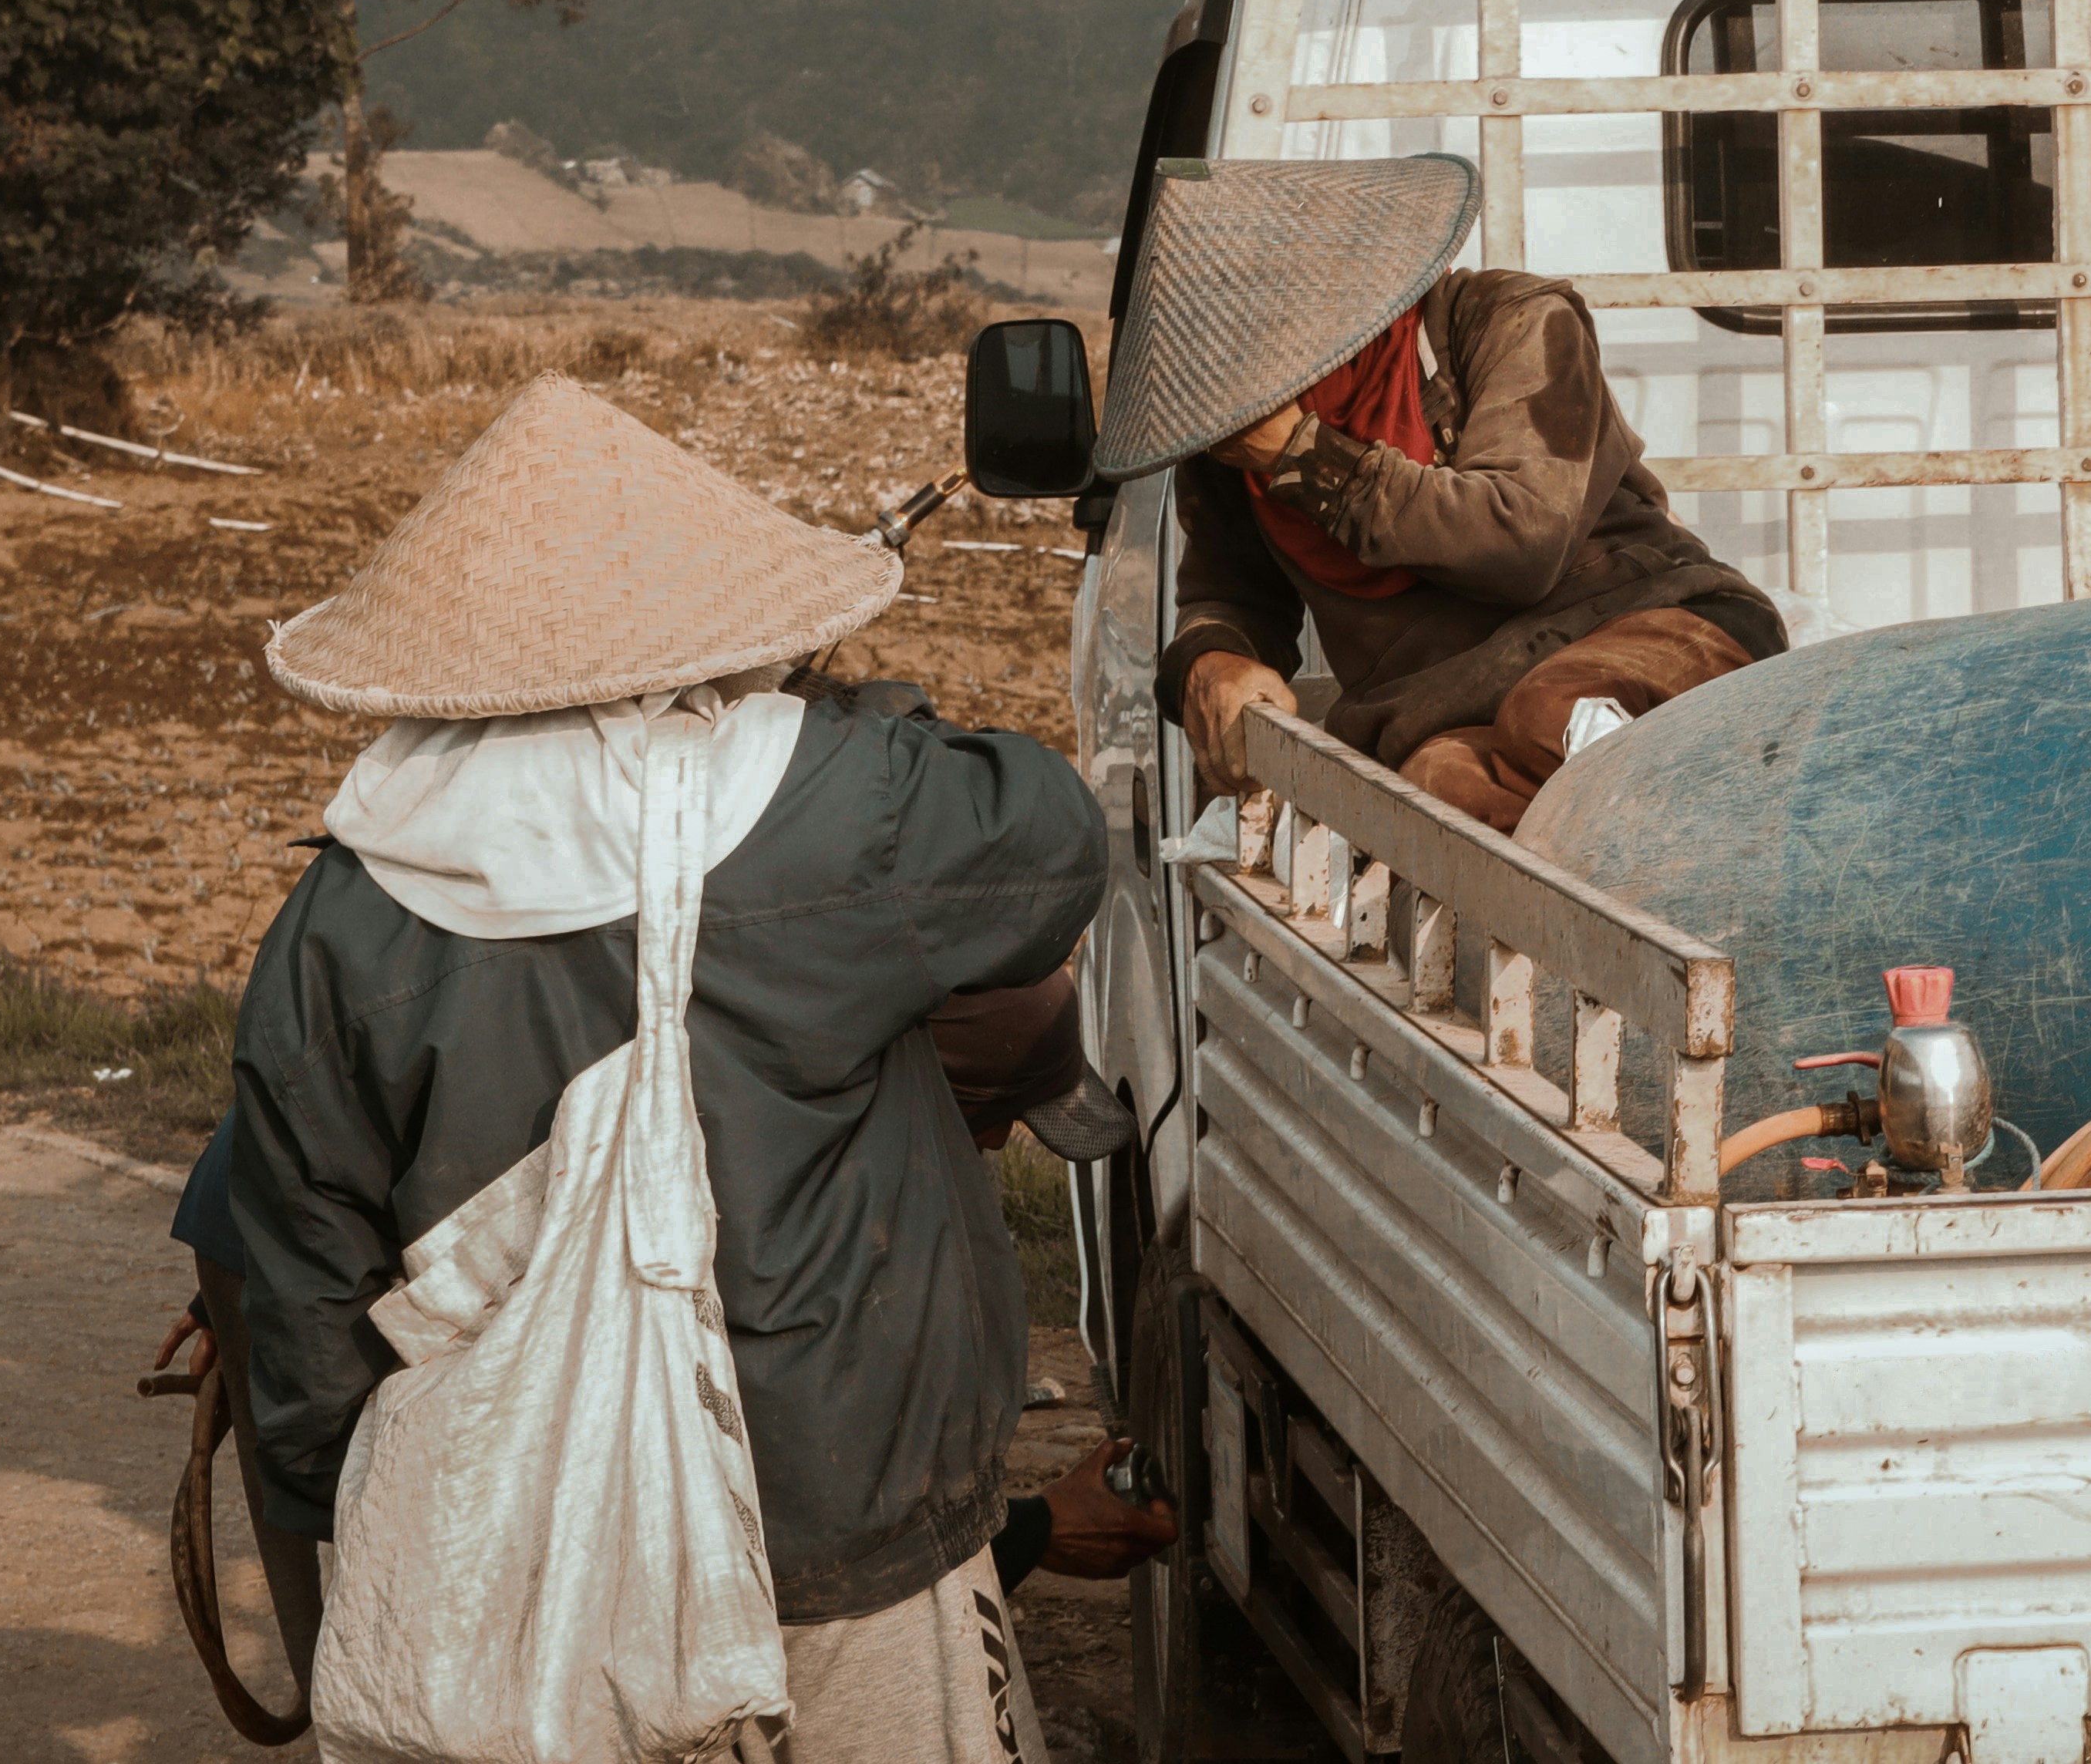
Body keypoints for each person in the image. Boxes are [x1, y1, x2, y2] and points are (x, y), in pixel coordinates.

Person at [225, 376, 1170, 1759]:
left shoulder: (342, 911)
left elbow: (305, 1291)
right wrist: (841, 709)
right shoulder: (825, 801)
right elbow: (1052, 842)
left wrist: (363, 1500)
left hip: (529, 1537)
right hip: (846, 1511)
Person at [1099, 153, 1786, 833]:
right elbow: (1231, 593)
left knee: (1551, 715)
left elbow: (1524, 541)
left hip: (1647, 625)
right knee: (1438, 787)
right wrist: (1212, 657)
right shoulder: (1233, 429)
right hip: (1446, 705)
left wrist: (1302, 457)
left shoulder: (1505, 318)